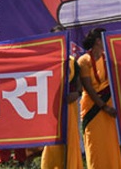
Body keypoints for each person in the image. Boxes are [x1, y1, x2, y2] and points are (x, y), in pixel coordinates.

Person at [78, 27, 121, 169]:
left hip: (111, 106)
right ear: (98, 41)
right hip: (94, 108)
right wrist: (104, 107)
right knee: (96, 145)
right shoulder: (84, 60)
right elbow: (89, 88)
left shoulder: (109, 58)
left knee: (112, 143)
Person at [41, 25, 84, 169]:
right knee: (52, 143)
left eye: (64, 36)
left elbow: (79, 86)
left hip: (69, 106)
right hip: (52, 108)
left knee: (70, 140)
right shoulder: (45, 61)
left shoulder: (72, 61)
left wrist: (76, 94)